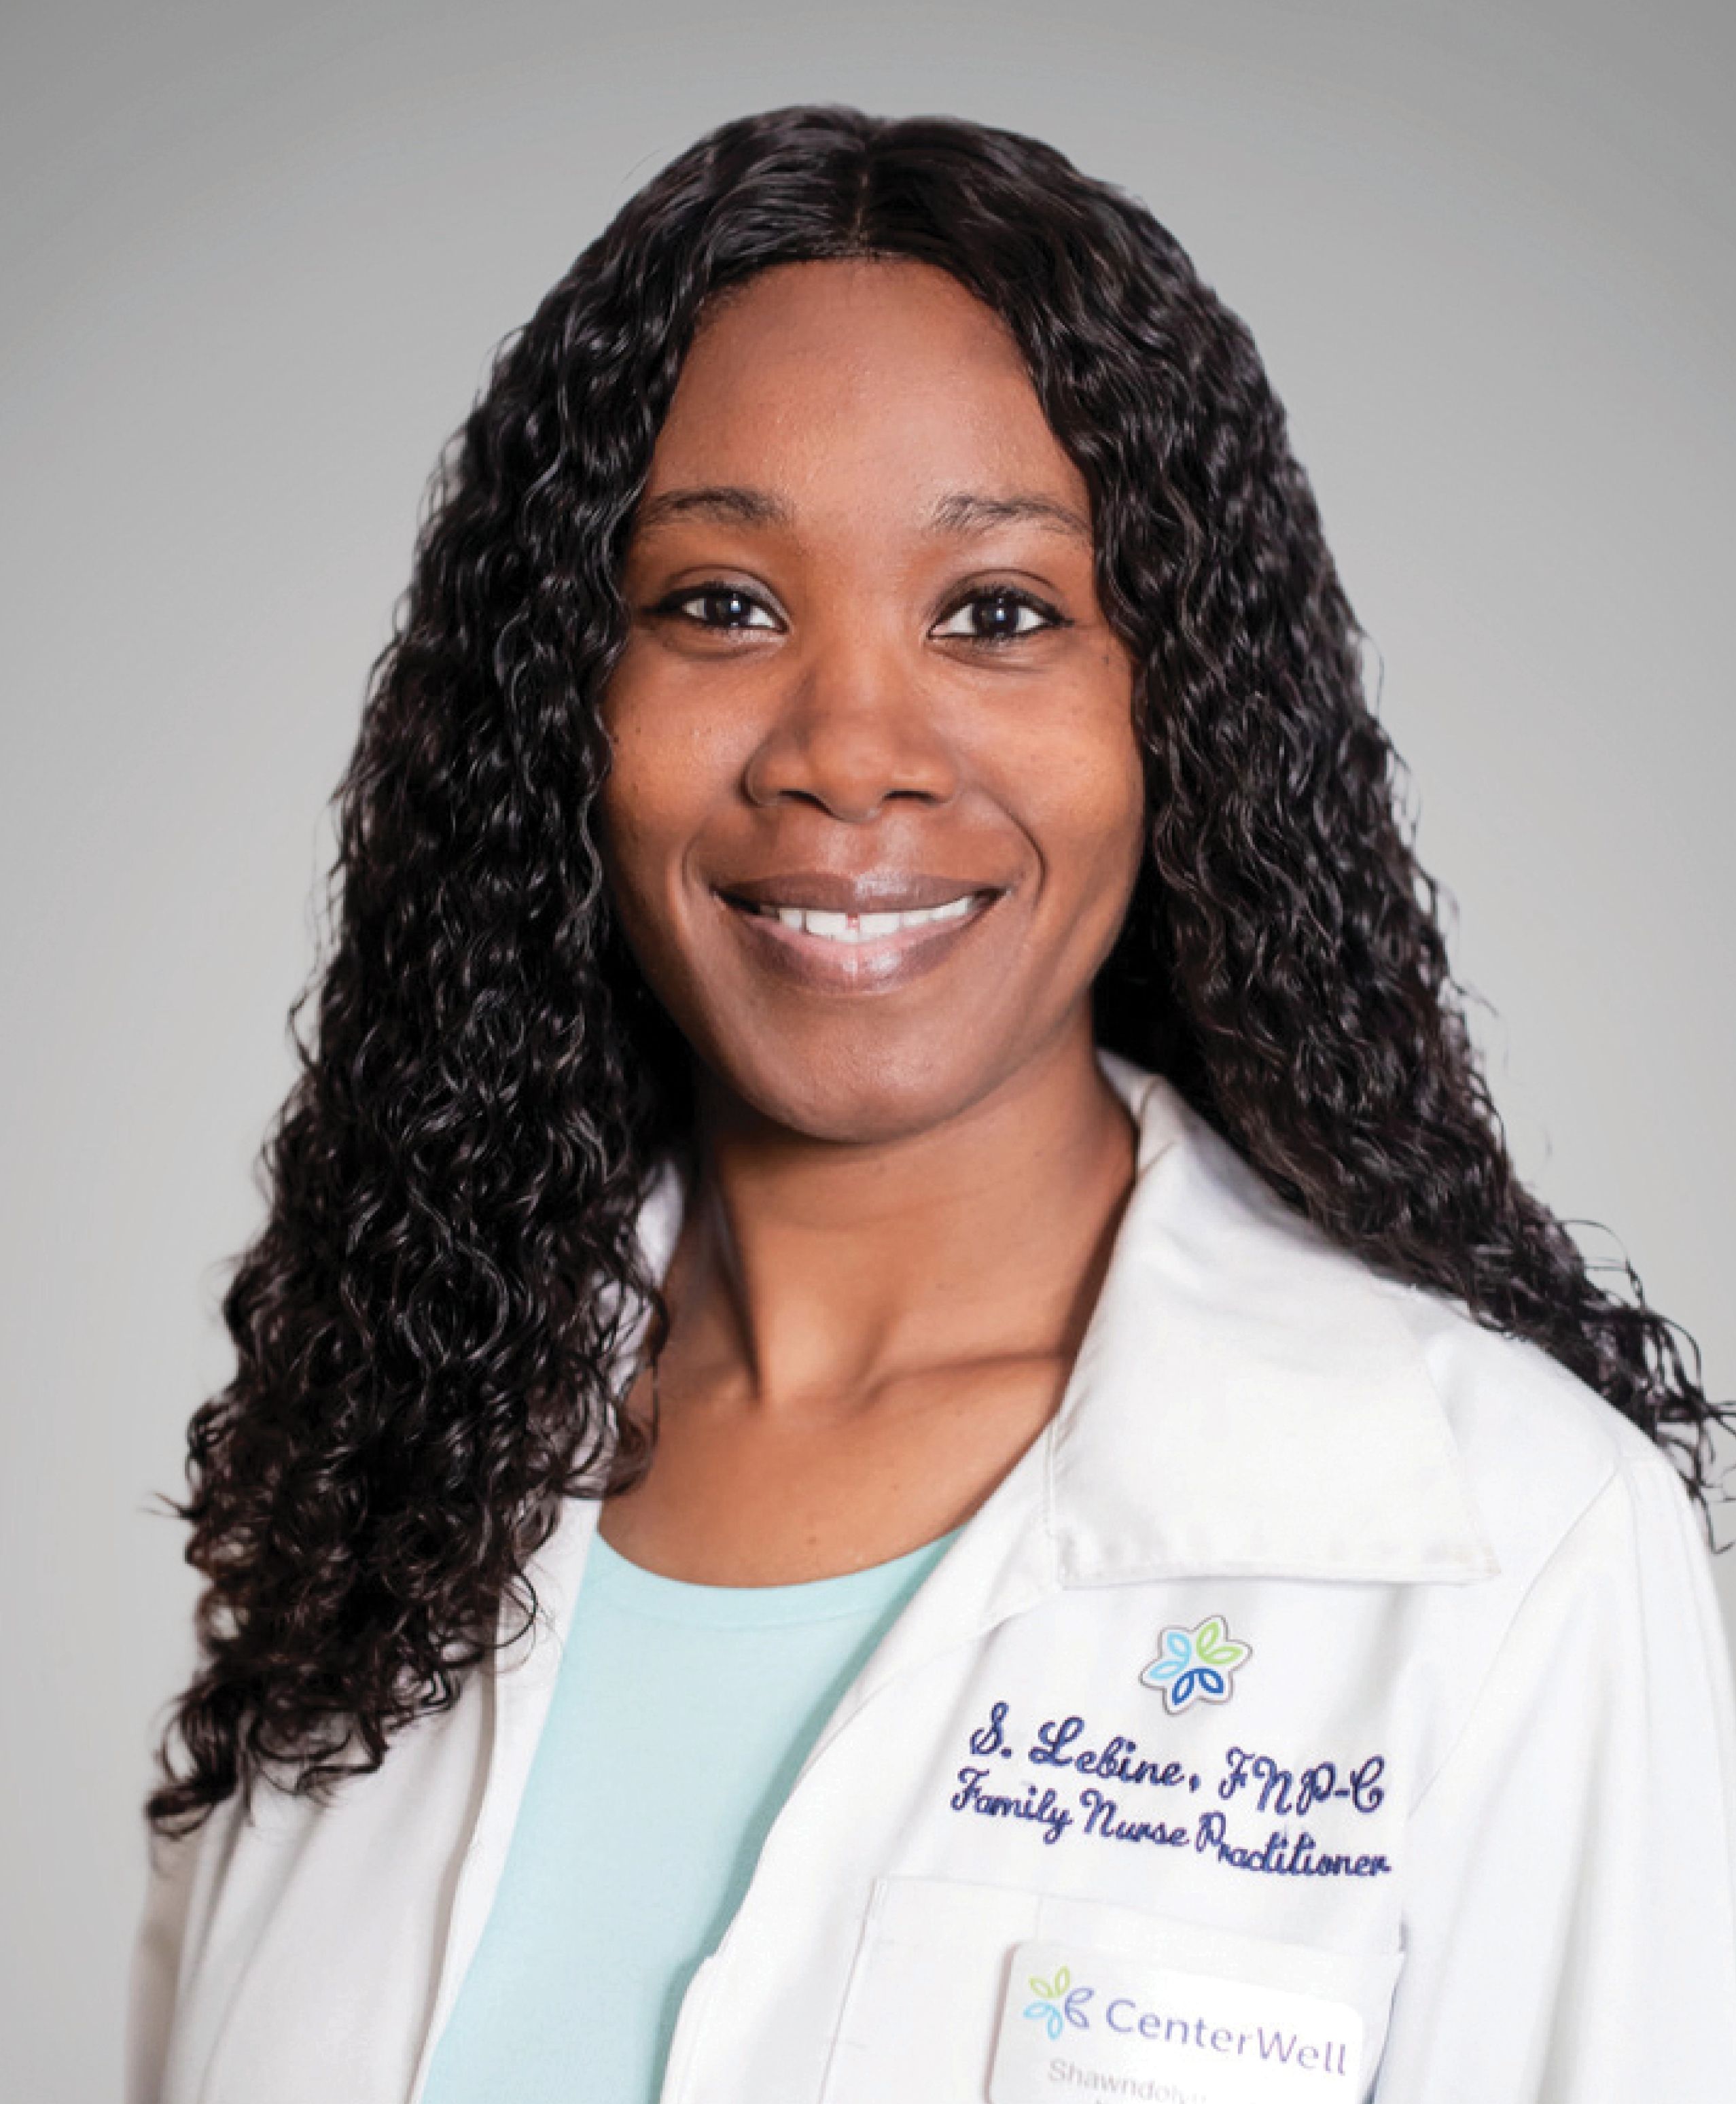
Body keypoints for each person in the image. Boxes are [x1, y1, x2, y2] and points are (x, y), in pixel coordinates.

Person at [127, 105, 1736, 2104]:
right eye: (721, 603)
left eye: (997, 612)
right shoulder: (387, 1484)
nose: (847, 750)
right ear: (564, 706)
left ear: (1180, 710)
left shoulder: (1506, 1544)